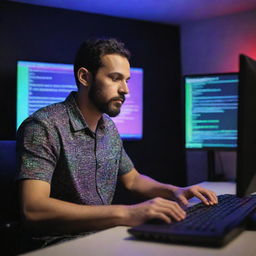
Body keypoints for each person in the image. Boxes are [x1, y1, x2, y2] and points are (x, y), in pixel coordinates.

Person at [16, 38, 217, 248]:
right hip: (56, 245)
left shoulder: (108, 127)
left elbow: (133, 180)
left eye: (127, 80)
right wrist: (126, 213)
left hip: (100, 237)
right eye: (115, 78)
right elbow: (34, 208)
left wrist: (175, 191)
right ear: (85, 77)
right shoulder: (43, 126)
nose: (125, 90)